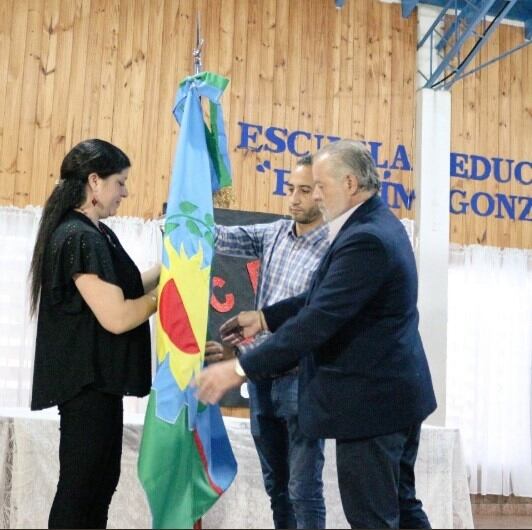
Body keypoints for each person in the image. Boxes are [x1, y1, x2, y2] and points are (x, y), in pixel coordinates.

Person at [197, 140, 437, 529]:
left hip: (373, 403)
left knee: (373, 516)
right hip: (394, 395)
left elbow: (319, 319)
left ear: (350, 183)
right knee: (402, 507)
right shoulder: (370, 223)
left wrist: (239, 368)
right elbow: (321, 297)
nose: (316, 196)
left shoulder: (366, 237)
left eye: (320, 186)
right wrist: (264, 317)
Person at [29, 139, 160, 529]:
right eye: (120, 182)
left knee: (98, 486)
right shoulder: (79, 236)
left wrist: (173, 270)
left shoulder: (95, 233)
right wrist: (163, 298)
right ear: (94, 181)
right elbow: (118, 316)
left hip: (98, 385)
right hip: (86, 386)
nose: (125, 192)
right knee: (83, 490)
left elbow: (129, 285)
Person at [206, 155, 330, 529]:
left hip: (302, 379)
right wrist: (185, 214)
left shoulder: (337, 249)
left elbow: (317, 316)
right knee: (276, 485)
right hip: (261, 379)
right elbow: (221, 236)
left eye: (304, 191)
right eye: (290, 189)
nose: (293, 199)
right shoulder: (275, 233)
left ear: (323, 194)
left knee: (303, 487)